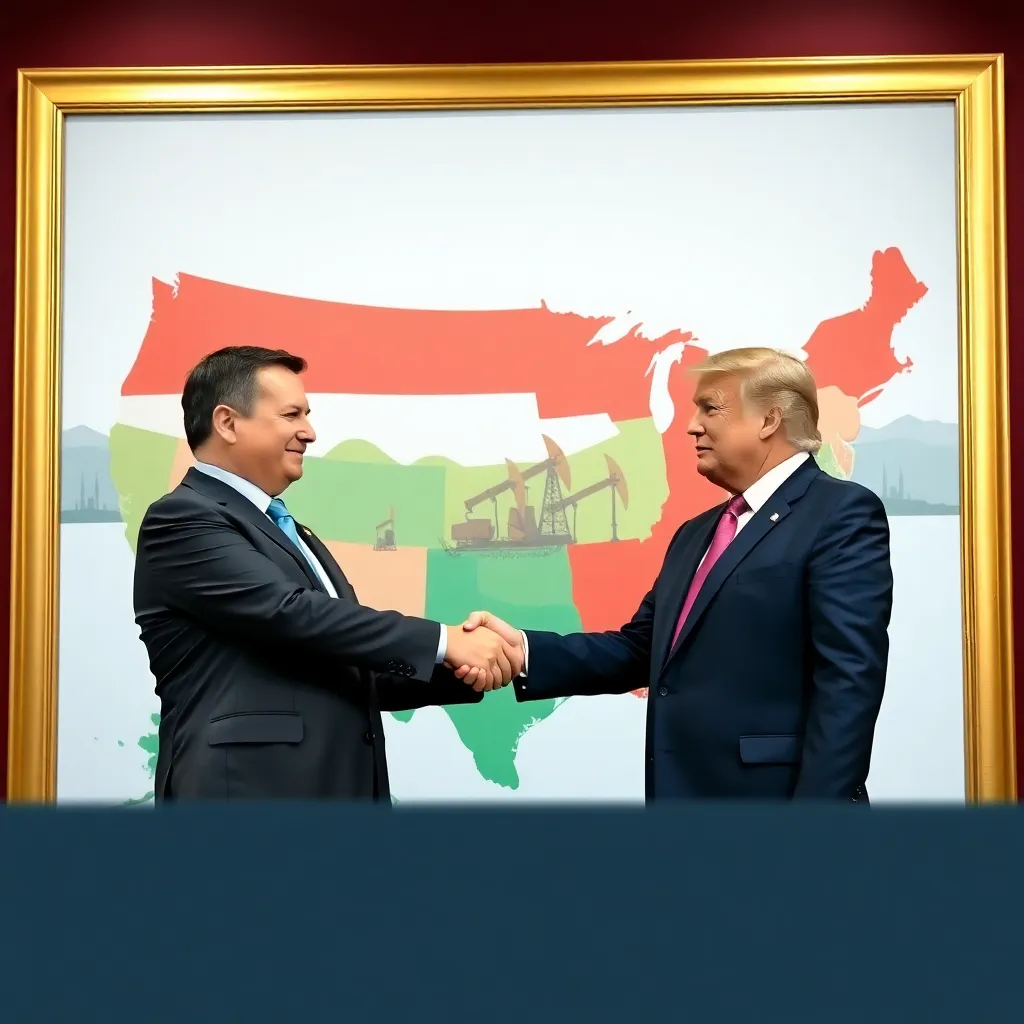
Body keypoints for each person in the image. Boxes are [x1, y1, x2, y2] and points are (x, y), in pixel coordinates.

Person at [460, 347, 892, 802]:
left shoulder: (840, 513)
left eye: (711, 408)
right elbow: (640, 650)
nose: (692, 425)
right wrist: (520, 649)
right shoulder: (696, 534)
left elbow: (849, 678)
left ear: (770, 420)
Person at [133, 345, 516, 800]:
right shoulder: (181, 519)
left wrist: (465, 664)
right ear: (228, 422)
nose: (309, 432)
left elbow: (345, 661)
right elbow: (290, 613)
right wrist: (447, 642)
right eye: (292, 414)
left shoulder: (296, 533)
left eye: (307, 415)